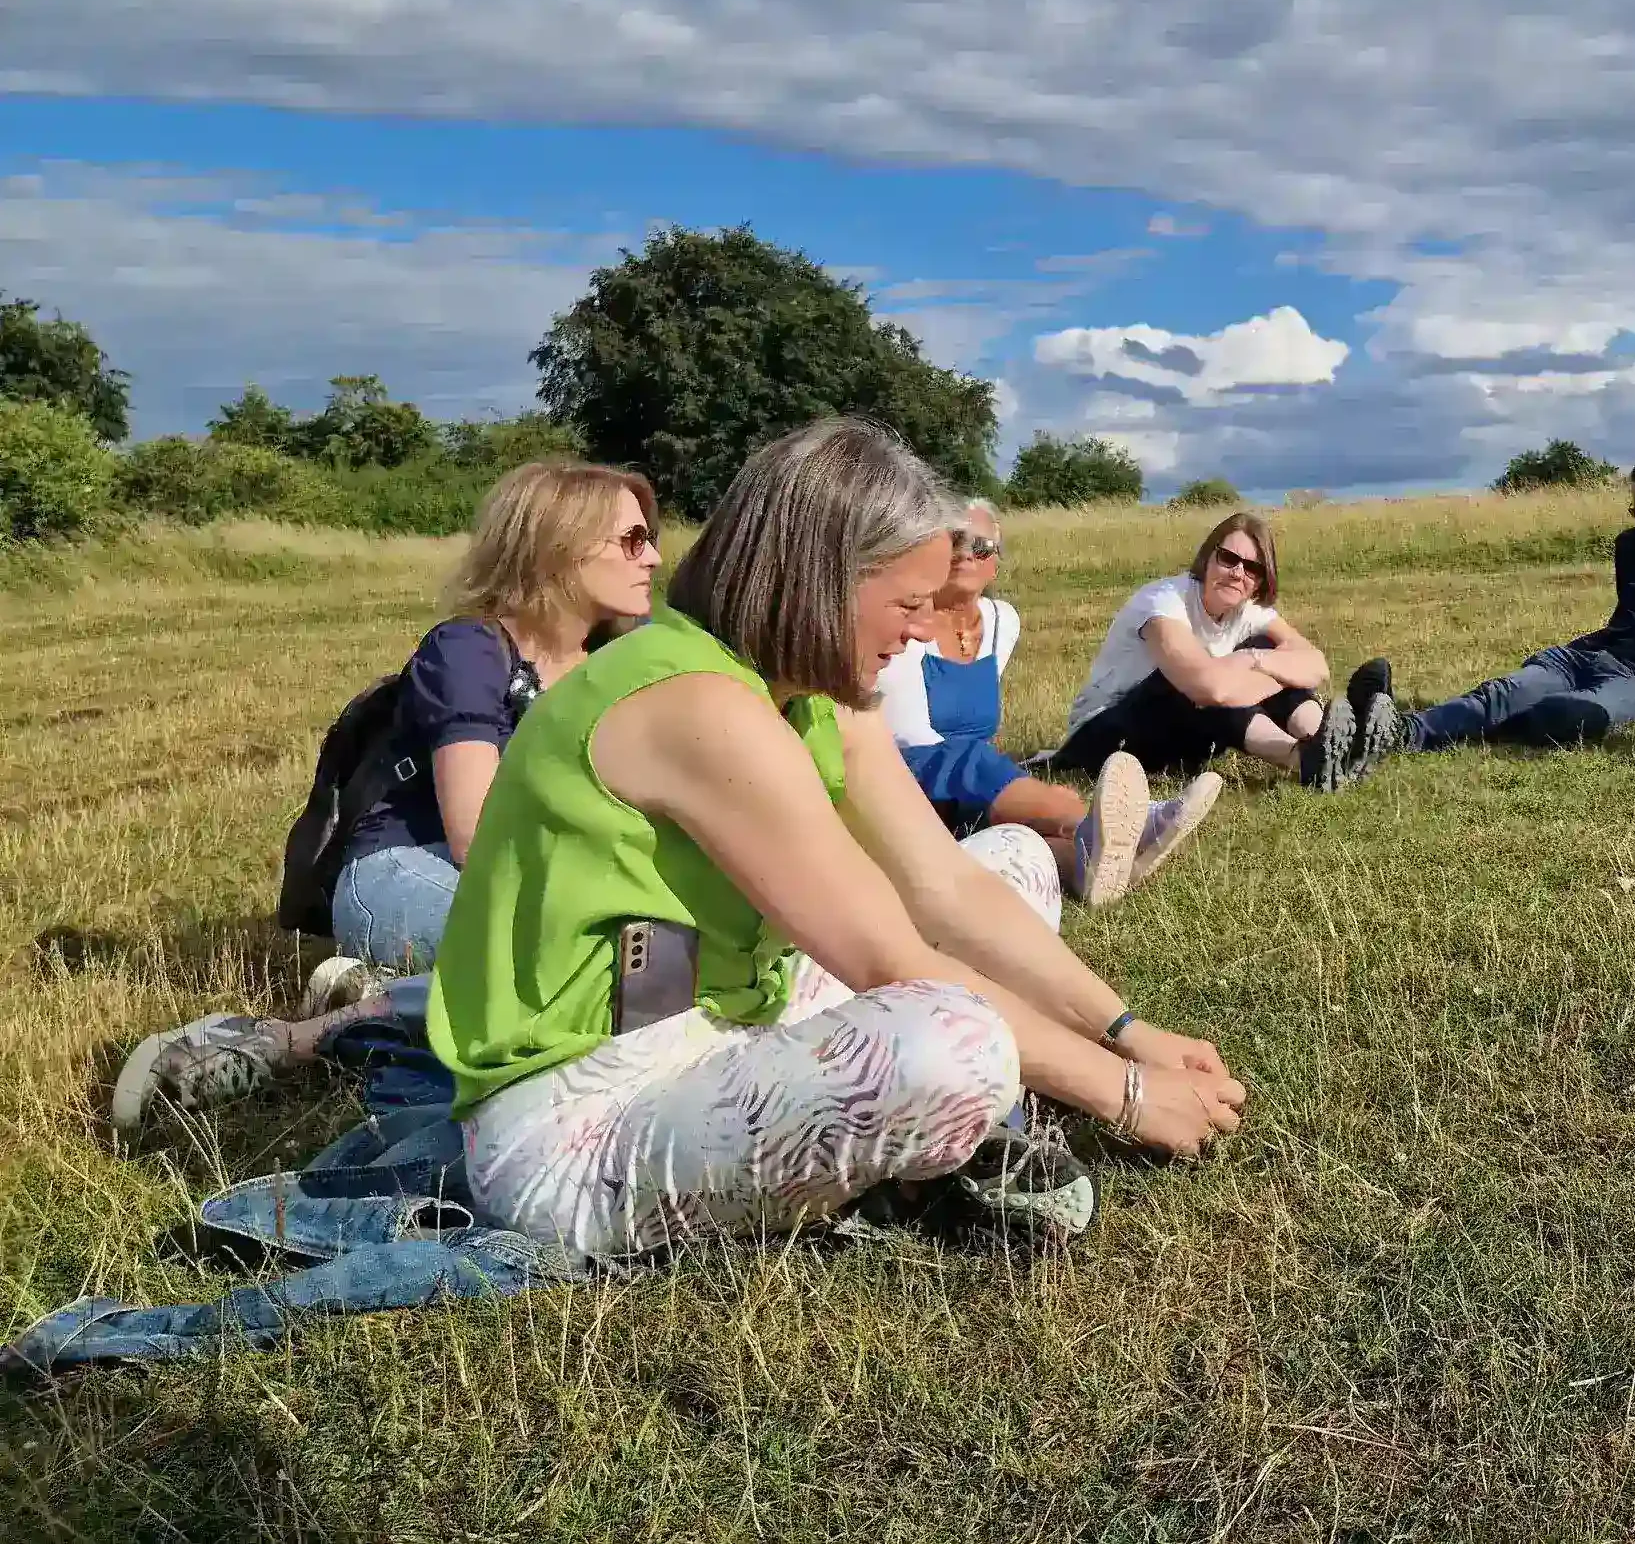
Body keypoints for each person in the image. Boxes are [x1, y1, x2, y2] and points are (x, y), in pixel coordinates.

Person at [428, 419, 1245, 1256]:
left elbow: (948, 886)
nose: (923, 631)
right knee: (959, 1048)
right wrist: (1127, 1094)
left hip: (728, 1020)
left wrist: (1128, 1032)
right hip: (582, 1116)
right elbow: (890, 960)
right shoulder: (696, 705)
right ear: (818, 582)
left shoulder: (810, 696)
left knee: (1017, 859)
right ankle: (924, 1158)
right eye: (909, 604)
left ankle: (931, 1142)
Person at [112, 460, 663, 1125]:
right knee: (564, 960)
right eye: (632, 540)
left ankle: (371, 997)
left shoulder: (627, 663)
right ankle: (282, 1040)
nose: (654, 557)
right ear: (557, 545)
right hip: (402, 868)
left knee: (643, 967)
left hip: (536, 876)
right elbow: (476, 832)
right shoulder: (470, 650)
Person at [1343, 448, 1635, 775]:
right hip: (1588, 657)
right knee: (1503, 692)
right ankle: (1395, 733)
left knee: (1567, 717)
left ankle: (1446, 729)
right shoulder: (1630, 545)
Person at [877, 497, 1223, 905]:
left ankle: (1093, 868)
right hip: (909, 776)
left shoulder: (1002, 622)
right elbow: (910, 737)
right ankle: (1119, 824)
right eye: (955, 540)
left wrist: (1009, 790)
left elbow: (977, 718)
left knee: (1027, 836)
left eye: (981, 546)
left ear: (996, 563)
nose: (966, 553)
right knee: (990, 774)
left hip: (969, 782)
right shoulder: (909, 625)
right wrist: (1001, 781)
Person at [1051, 511, 1364, 790]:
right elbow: (1209, 688)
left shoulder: (1247, 610)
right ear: (1208, 558)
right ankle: (1305, 758)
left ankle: (1327, 741)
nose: (1238, 573)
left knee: (1269, 650)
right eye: (1228, 559)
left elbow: (1316, 664)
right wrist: (1253, 673)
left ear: (1259, 581)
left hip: (1175, 735)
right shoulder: (1164, 602)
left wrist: (1255, 660)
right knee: (1203, 682)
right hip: (1103, 738)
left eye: (1252, 568)